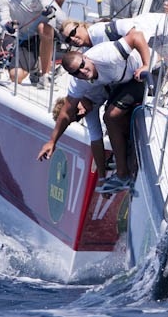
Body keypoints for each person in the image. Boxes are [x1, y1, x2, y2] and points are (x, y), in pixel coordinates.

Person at [37, 30, 153, 194]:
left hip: (144, 72)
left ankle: (122, 174)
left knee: (110, 116)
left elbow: (136, 35)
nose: (81, 113)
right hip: (125, 84)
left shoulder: (104, 56)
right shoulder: (84, 97)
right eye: (78, 118)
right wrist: (101, 177)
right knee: (117, 120)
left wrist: (146, 65)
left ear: (86, 59)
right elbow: (96, 142)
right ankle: (130, 168)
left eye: (82, 67)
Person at [0, 0, 56, 88]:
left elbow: (48, 4)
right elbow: (4, 17)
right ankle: (35, 68)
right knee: (15, 76)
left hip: (46, 35)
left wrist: (49, 9)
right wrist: (9, 25)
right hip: (26, 39)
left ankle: (45, 76)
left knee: (42, 27)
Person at [61, 12, 168, 62]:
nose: (72, 38)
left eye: (73, 32)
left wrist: (147, 62)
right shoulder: (88, 50)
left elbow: (136, 35)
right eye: (68, 39)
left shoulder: (97, 31)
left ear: (81, 25)